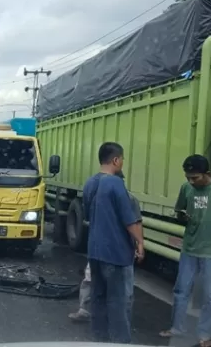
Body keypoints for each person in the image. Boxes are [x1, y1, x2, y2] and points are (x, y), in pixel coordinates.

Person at [160, 155, 211, 347]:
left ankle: (204, 333)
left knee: (210, 295)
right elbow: (179, 211)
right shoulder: (186, 188)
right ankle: (177, 327)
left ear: (207, 174)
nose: (191, 181)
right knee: (181, 290)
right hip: (190, 248)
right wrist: (182, 217)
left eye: (195, 178)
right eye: (188, 177)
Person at [86, 142, 144, 344]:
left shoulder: (90, 183)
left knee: (98, 298)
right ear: (116, 160)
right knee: (118, 302)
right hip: (116, 253)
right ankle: (120, 342)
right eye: (122, 160)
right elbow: (129, 221)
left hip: (94, 252)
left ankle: (99, 339)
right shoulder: (116, 184)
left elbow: (89, 214)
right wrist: (140, 243)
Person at [70, 171, 142, 323]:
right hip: (112, 250)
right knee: (111, 285)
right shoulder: (109, 199)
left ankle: (110, 317)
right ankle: (101, 315)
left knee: (106, 285)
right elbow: (135, 224)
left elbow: (135, 223)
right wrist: (139, 244)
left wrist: (139, 244)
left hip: (109, 250)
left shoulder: (127, 200)